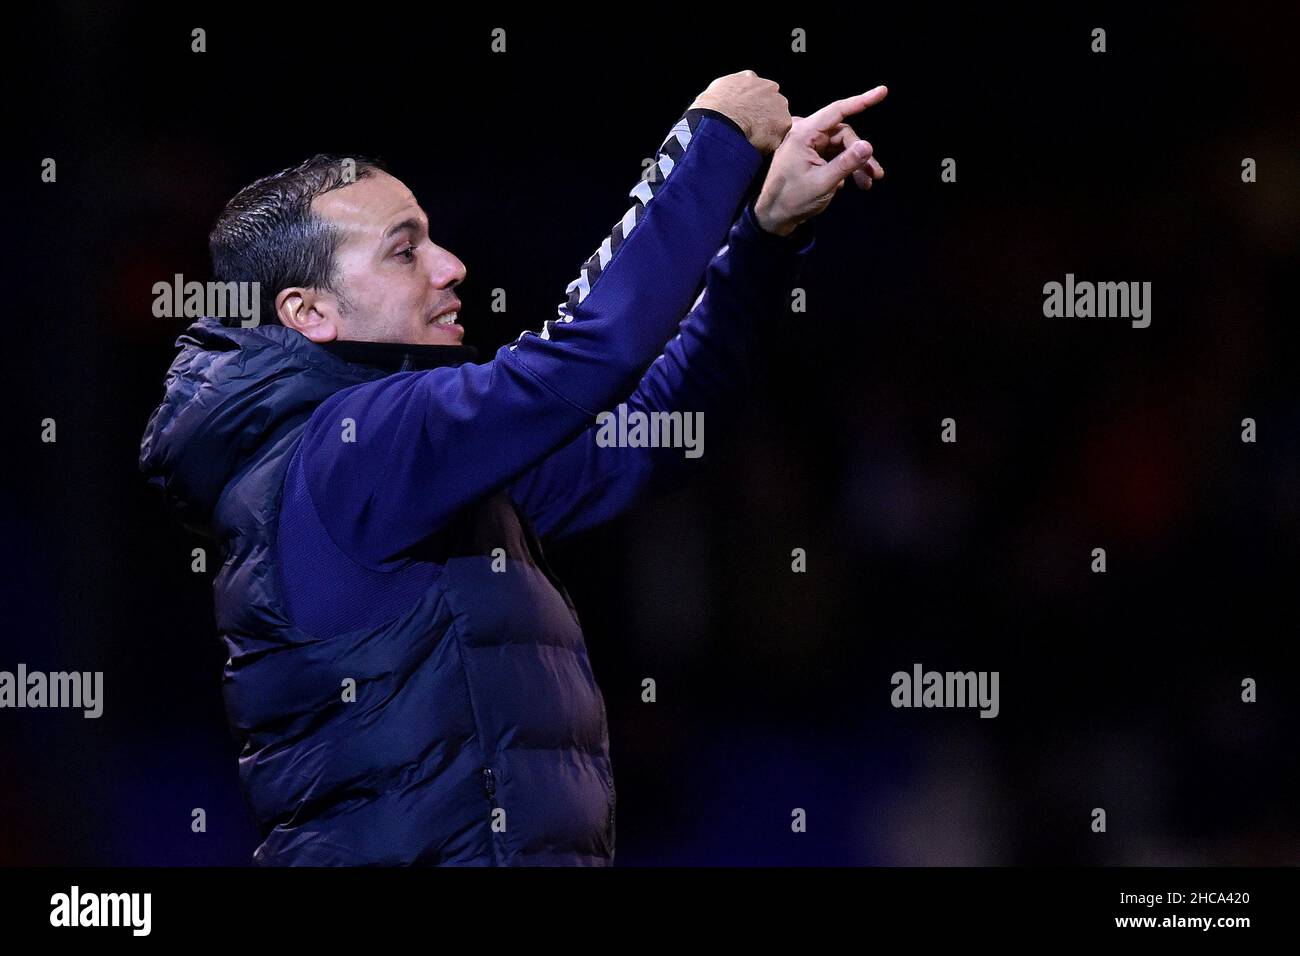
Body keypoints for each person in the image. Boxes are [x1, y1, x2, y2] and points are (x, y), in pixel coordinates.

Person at [139, 71, 887, 865]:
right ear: (310, 313)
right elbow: (582, 356)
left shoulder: (410, 473)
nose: (451, 264)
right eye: (405, 250)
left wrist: (760, 242)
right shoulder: (350, 448)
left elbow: (652, 432)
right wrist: (710, 140)